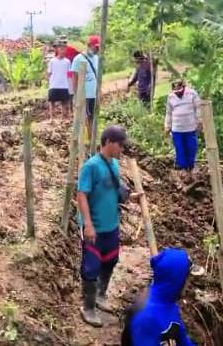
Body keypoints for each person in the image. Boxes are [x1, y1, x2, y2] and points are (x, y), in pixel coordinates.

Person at [77, 125, 140, 327]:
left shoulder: (113, 164)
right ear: (109, 143)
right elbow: (81, 194)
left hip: (111, 225)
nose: (122, 149)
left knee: (111, 260)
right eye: (120, 145)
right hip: (94, 227)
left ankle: (100, 295)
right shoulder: (91, 166)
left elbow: (114, 190)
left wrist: (133, 197)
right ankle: (88, 307)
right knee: (91, 266)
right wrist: (87, 224)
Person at [121, 248, 196, 346]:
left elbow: (182, 339)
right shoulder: (146, 318)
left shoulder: (169, 303)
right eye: (187, 278)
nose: (188, 283)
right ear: (176, 280)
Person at [164, 80, 201, 182]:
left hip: (190, 127)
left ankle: (191, 167)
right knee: (180, 148)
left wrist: (199, 121)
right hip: (177, 128)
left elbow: (198, 108)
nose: (177, 92)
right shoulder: (171, 97)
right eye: (175, 90)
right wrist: (167, 125)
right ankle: (183, 168)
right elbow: (168, 112)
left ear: (184, 87)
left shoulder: (192, 94)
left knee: (191, 147)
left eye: (179, 89)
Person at [71, 36, 101, 140]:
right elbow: (74, 77)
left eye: (98, 47)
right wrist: (75, 94)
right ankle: (80, 141)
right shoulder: (78, 59)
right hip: (84, 94)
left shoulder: (97, 59)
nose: (97, 50)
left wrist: (99, 90)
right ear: (89, 46)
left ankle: (91, 140)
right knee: (82, 118)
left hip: (94, 94)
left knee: (92, 117)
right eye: (95, 47)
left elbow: (98, 76)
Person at [47, 44, 72, 121]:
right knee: (52, 102)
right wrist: (50, 83)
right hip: (54, 85)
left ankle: (63, 118)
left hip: (64, 85)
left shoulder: (67, 62)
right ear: (57, 50)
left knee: (64, 102)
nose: (63, 51)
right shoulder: (52, 61)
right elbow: (49, 73)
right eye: (61, 49)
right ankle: (52, 118)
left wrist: (70, 84)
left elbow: (69, 74)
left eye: (64, 50)